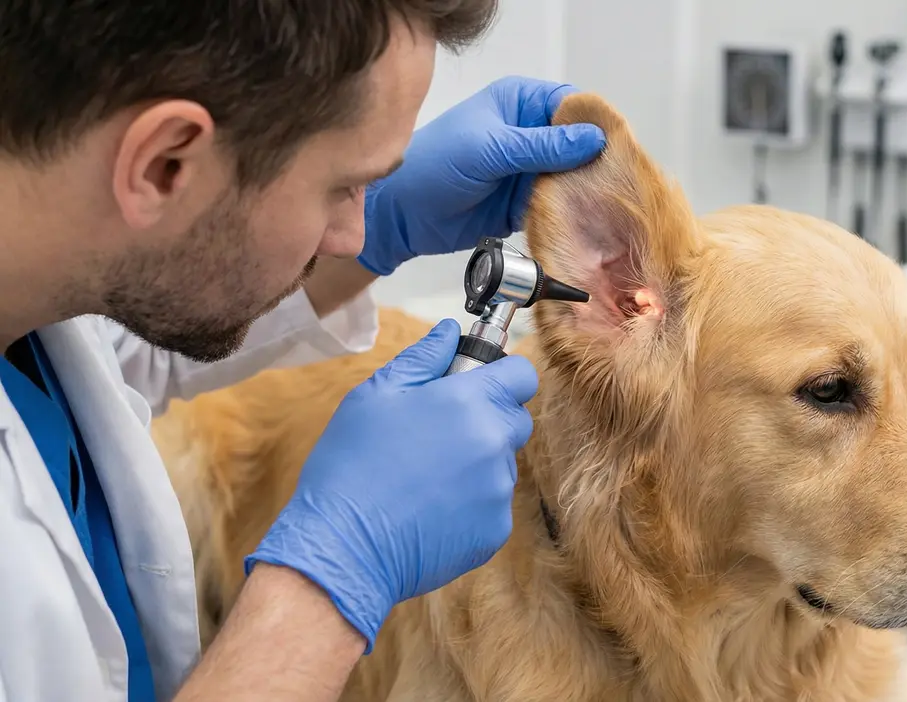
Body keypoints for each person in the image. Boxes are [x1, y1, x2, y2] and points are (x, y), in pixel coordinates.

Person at [0, 1, 607, 700]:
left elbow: (121, 349)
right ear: (165, 163)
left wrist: (389, 221)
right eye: (343, 188)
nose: (353, 234)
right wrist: (332, 575)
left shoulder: (43, 291)